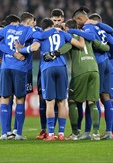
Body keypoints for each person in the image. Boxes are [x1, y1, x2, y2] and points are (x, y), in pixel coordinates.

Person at [18, 18, 84, 141]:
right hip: (62, 67)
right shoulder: (63, 33)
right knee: (62, 102)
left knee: (50, 102)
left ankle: (50, 134)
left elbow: (34, 47)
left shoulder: (41, 35)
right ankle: (61, 134)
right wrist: (81, 32)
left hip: (47, 68)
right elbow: (80, 45)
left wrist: (20, 49)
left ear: (43, 27)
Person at [44, 19, 110, 140]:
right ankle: (95, 133)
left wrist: (54, 53)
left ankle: (75, 133)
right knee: (92, 102)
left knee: (72, 101)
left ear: (68, 28)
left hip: (80, 71)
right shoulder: (87, 36)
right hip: (94, 70)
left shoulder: (70, 37)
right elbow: (105, 48)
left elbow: (66, 47)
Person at [73, 6, 113, 139]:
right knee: (106, 97)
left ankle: (88, 132)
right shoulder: (99, 27)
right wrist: (111, 54)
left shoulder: (87, 27)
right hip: (107, 61)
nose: (77, 25)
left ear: (80, 19)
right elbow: (112, 41)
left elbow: (89, 37)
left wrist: (74, 31)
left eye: (76, 22)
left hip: (98, 62)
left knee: (92, 98)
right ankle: (109, 132)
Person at [88, 13, 113, 139]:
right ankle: (112, 132)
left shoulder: (103, 32)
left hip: (112, 68)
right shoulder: (105, 33)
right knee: (106, 99)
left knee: (107, 99)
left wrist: (111, 54)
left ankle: (112, 132)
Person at [36, 8, 65, 139]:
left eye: (59, 20)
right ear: (51, 20)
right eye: (55, 20)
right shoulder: (42, 31)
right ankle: (44, 130)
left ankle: (54, 131)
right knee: (43, 99)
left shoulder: (65, 31)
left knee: (54, 101)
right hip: (44, 68)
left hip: (52, 67)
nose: (57, 22)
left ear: (63, 19)